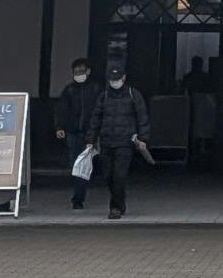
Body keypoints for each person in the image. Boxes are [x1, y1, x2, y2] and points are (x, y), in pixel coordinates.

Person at [86, 60, 154, 219]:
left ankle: (115, 207)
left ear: (124, 77)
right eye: (111, 79)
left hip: (125, 142)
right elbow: (96, 119)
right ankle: (120, 201)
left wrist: (143, 138)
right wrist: (90, 139)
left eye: (116, 79)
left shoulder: (133, 94)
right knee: (108, 175)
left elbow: (142, 117)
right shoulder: (104, 96)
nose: (114, 82)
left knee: (119, 175)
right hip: (106, 141)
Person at [62, 58, 103, 210]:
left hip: (90, 133)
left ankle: (79, 197)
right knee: (75, 164)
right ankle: (78, 194)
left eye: (81, 71)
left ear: (88, 71)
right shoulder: (69, 90)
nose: (79, 74)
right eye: (76, 72)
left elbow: (101, 111)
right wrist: (60, 127)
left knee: (85, 165)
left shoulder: (96, 89)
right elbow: (62, 109)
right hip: (73, 132)